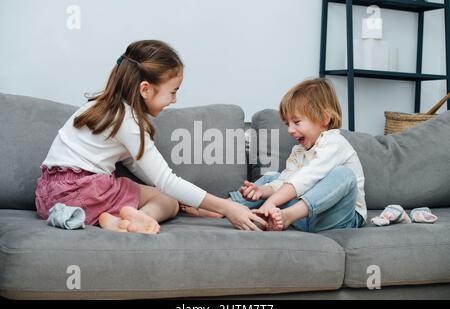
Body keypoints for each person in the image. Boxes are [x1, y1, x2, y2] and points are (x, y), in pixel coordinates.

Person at [35, 40, 267, 234]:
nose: (174, 100)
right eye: (173, 91)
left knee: (158, 193)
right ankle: (136, 220)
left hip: (49, 196)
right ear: (145, 89)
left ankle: (111, 220)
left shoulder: (97, 106)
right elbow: (165, 180)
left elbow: (137, 166)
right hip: (85, 192)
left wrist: (193, 203)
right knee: (167, 201)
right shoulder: (128, 121)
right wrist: (227, 207)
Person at [182, 78, 367, 232]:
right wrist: (261, 192)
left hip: (340, 219)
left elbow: (305, 179)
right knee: (273, 177)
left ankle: (287, 216)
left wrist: (270, 202)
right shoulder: (299, 151)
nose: (290, 130)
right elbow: (285, 181)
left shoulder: (335, 143)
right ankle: (226, 207)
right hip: (308, 218)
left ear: (325, 119)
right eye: (287, 124)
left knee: (344, 175)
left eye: (296, 122)